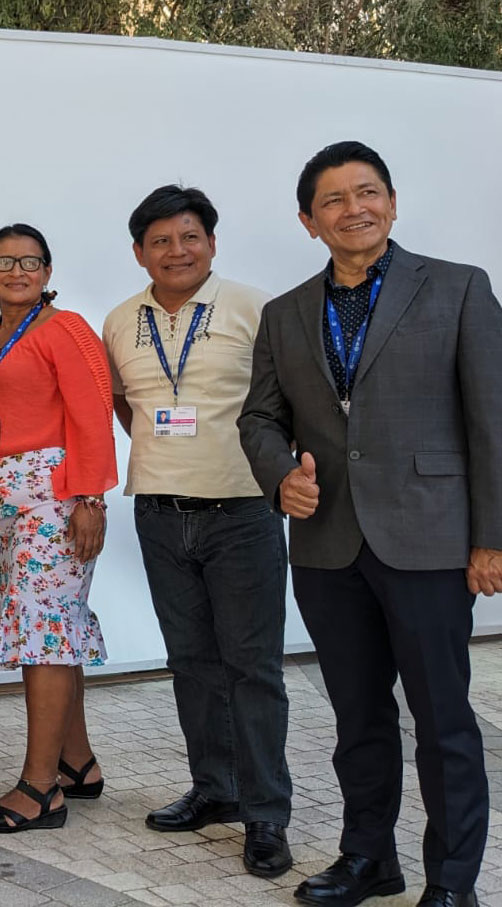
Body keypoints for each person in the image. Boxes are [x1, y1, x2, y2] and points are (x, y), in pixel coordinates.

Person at [240, 141, 501, 907]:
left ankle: (453, 884)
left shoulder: (458, 288)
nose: (354, 208)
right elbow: (258, 417)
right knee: (357, 717)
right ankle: (368, 859)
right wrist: (279, 475)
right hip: (327, 543)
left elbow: (492, 419)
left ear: (392, 201)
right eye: (334, 199)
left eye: (368, 192)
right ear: (307, 219)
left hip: (430, 538)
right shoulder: (287, 313)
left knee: (444, 719)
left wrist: (492, 537)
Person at [102, 185, 292, 877]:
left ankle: (267, 811)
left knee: (253, 669)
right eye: (160, 241)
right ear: (139, 252)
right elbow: (126, 403)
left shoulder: (256, 307)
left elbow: (286, 400)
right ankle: (216, 788)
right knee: (191, 663)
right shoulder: (121, 318)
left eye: (189, 237)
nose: (175, 251)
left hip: (242, 512)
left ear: (211, 241)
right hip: (158, 512)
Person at [0, 224, 118, 834]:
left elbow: (93, 412)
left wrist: (90, 498)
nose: (17, 271)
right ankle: (77, 764)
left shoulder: (66, 328)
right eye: (4, 260)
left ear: (48, 273)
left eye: (30, 261)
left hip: (54, 500)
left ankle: (39, 787)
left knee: (42, 629)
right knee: (49, 628)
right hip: (0, 504)